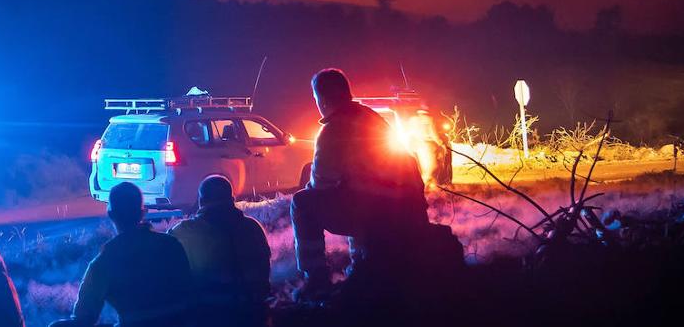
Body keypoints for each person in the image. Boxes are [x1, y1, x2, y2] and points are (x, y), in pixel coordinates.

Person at [290, 69, 427, 300]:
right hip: (403, 210)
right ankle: (361, 265)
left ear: (321, 99)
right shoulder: (373, 119)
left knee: (302, 203)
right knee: (353, 193)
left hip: (374, 211)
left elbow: (322, 184)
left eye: (316, 99)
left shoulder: (333, 130)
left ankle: (316, 279)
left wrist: (312, 189)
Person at [53, 181, 193, 327]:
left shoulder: (105, 261)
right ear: (143, 213)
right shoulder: (171, 245)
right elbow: (188, 292)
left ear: (111, 215)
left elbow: (84, 316)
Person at [169, 176, 271, 326]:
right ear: (232, 199)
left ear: (201, 201)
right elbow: (263, 277)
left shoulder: (183, 232)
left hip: (205, 316)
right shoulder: (252, 228)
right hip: (251, 314)